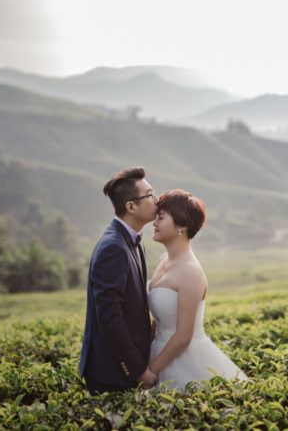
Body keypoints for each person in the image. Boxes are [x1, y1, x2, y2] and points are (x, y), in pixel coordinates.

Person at [146, 189, 247, 390]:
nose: (155, 223)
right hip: (156, 351)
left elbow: (184, 335)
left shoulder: (191, 272)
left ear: (181, 226)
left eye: (161, 218)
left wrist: (152, 370)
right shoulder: (163, 260)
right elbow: (159, 320)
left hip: (183, 359)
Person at [79, 167, 159, 394]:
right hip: (111, 373)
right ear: (131, 206)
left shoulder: (135, 242)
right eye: (150, 194)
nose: (157, 199)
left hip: (128, 366)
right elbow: (109, 317)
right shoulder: (113, 248)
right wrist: (137, 370)